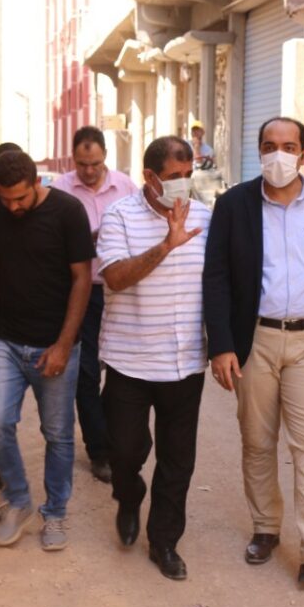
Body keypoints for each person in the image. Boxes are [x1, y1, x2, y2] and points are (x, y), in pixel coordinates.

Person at [203, 116, 304, 584]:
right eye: (270, 146)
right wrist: (221, 345)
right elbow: (215, 278)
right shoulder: (234, 205)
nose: (279, 154)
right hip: (255, 340)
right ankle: (265, 527)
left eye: (289, 146)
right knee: (258, 441)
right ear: (259, 151)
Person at [97, 136, 210, 580]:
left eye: (188, 175)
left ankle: (164, 541)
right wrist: (166, 245)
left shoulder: (206, 218)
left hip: (185, 361)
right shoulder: (118, 216)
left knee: (178, 459)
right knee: (125, 451)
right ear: (149, 176)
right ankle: (128, 497)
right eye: (173, 176)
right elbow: (115, 278)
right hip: (129, 359)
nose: (183, 184)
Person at [0, 151, 94, 551]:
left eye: (20, 198)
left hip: (54, 344)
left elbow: (82, 279)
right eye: (5, 198)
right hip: (5, 339)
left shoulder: (68, 212)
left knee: (58, 434)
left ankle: (55, 512)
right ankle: (20, 500)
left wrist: (63, 345)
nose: (12, 207)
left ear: (37, 183)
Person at [52, 126, 139, 485]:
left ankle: (119, 442)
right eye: (82, 164)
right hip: (80, 292)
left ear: (106, 158)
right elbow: (51, 240)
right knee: (85, 373)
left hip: (121, 293)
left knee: (121, 372)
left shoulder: (126, 186)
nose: (89, 171)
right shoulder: (59, 190)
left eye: (96, 164)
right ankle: (99, 451)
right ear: (73, 160)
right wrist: (86, 239)